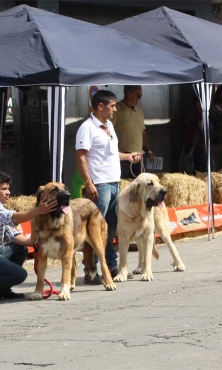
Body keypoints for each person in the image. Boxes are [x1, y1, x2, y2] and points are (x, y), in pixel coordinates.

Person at [75, 89, 141, 283]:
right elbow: (80, 156)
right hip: (100, 183)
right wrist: (89, 183)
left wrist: (127, 156)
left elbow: (111, 153)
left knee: (110, 227)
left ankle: (110, 265)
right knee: (95, 227)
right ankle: (91, 269)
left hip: (113, 182)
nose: (115, 109)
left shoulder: (108, 125)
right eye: (112, 106)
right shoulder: (87, 128)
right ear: (100, 106)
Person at [0, 172, 57, 303]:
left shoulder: (0, 208)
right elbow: (11, 218)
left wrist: (38, 238)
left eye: (8, 188)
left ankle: (0, 291)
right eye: (3, 189)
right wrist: (37, 211)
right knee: (20, 274)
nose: (8, 192)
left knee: (21, 249)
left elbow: (15, 237)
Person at [111, 85, 153, 179]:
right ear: (129, 94)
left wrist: (148, 150)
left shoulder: (139, 112)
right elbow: (108, 131)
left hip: (139, 157)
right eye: (138, 96)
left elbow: (142, 132)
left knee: (140, 189)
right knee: (124, 188)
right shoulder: (116, 110)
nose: (139, 99)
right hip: (123, 157)